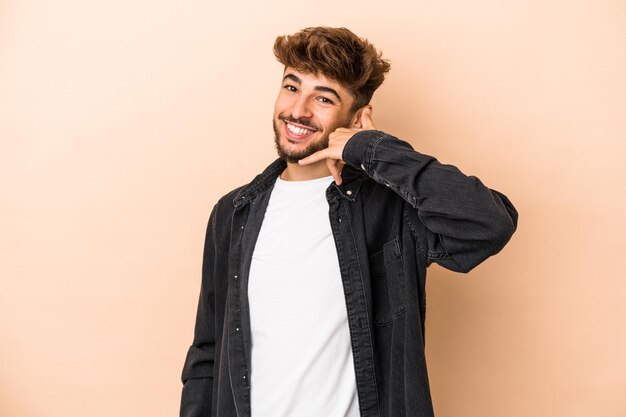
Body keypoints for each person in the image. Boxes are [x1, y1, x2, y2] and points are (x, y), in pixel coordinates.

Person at [180, 26, 518, 417]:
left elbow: (489, 223)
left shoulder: (389, 209)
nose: (298, 111)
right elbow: (208, 354)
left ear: (356, 116)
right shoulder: (233, 213)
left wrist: (372, 149)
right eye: (292, 87)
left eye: (323, 98)